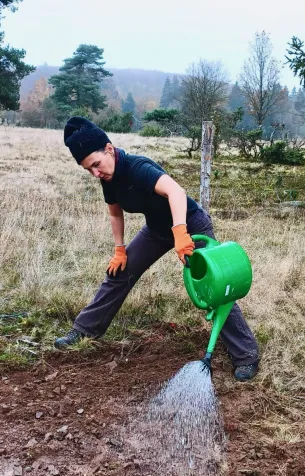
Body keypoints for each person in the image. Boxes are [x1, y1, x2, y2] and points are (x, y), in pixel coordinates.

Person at [55, 117, 259, 381]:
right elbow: (115, 213)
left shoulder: (138, 167)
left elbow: (175, 192)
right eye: (88, 170)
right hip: (156, 230)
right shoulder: (108, 178)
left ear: (109, 149)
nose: (96, 173)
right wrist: (120, 249)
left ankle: (246, 356)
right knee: (119, 272)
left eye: (96, 164)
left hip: (189, 225)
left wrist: (180, 231)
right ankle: (83, 330)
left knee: (214, 286)